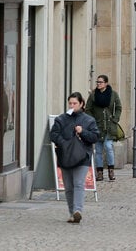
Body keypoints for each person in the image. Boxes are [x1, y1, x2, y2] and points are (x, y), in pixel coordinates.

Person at [50, 92, 99, 224]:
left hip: (82, 156)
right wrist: (63, 143)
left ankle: (78, 210)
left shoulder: (89, 120)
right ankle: (72, 213)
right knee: (69, 186)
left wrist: (83, 132)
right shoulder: (61, 119)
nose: (72, 105)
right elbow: (53, 135)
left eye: (75, 103)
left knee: (78, 183)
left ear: (81, 104)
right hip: (65, 156)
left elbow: (95, 137)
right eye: (70, 103)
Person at [84, 75, 122, 181]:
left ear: (106, 83)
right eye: (97, 82)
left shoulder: (113, 94)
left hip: (110, 125)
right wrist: (92, 121)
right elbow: (88, 109)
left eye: (100, 82)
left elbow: (118, 107)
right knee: (98, 149)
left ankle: (111, 170)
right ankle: (99, 172)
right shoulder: (93, 95)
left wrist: (116, 118)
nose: (98, 84)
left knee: (109, 146)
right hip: (97, 126)